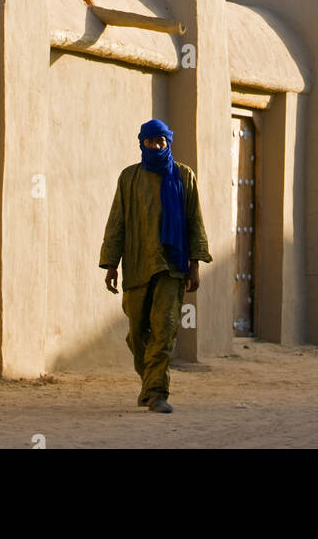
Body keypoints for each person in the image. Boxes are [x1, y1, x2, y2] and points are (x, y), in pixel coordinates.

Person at [99, 118, 212, 413]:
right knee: (137, 332)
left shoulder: (184, 176)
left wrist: (195, 264)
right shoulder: (129, 178)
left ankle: (157, 392)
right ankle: (148, 383)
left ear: (168, 143)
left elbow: (194, 221)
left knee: (165, 327)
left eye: (162, 142)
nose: (157, 146)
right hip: (137, 264)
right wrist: (111, 263)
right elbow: (117, 222)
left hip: (172, 266)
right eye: (152, 142)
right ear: (143, 144)